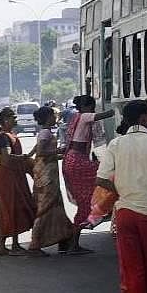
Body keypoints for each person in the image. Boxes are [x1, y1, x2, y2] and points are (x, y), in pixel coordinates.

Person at [97, 100, 147, 293]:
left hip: (125, 214)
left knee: (131, 267)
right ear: (143, 118)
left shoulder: (116, 144)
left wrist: (122, 190)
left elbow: (100, 179)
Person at [62, 95, 114, 253]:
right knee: (107, 176)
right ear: (87, 107)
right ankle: (74, 243)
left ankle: (74, 241)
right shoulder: (84, 116)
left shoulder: (75, 117)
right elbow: (105, 115)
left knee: (85, 200)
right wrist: (117, 109)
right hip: (78, 161)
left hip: (73, 159)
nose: (93, 110)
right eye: (92, 107)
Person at [27, 106, 74, 257]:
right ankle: (35, 245)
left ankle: (63, 238)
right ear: (48, 117)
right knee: (45, 208)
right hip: (46, 176)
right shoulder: (46, 133)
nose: (56, 118)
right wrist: (59, 151)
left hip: (47, 173)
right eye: (54, 116)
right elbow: (41, 152)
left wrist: (60, 155)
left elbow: (37, 152)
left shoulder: (45, 132)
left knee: (56, 206)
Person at [0, 107, 36, 256]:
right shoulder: (3, 137)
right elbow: (6, 159)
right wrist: (24, 158)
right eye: (13, 118)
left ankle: (14, 244)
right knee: (9, 210)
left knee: (17, 210)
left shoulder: (11, 135)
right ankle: (2, 246)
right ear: (6, 120)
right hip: (7, 177)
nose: (16, 120)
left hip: (15, 175)